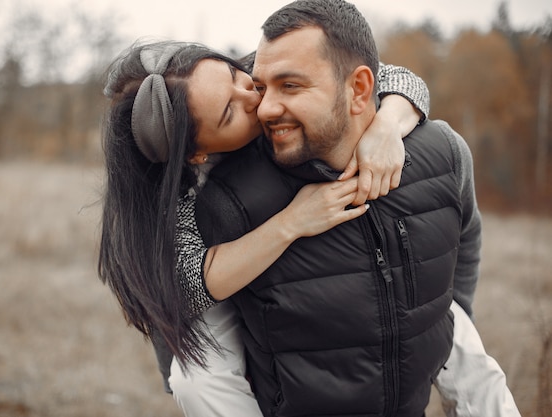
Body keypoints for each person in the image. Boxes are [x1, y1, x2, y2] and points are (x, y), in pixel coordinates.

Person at [188, 1, 521, 416]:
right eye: (262, 86)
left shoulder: (445, 154)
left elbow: (464, 238)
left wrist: (440, 323)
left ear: (360, 89)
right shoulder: (229, 200)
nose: (266, 108)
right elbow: (193, 346)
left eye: (290, 86)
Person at [98, 39, 430, 407]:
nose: (253, 97)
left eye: (233, 75)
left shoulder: (263, 72)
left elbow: (401, 78)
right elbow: (190, 283)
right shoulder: (167, 191)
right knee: (198, 381)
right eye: (229, 113)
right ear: (195, 153)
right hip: (213, 292)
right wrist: (292, 222)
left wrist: (385, 126)